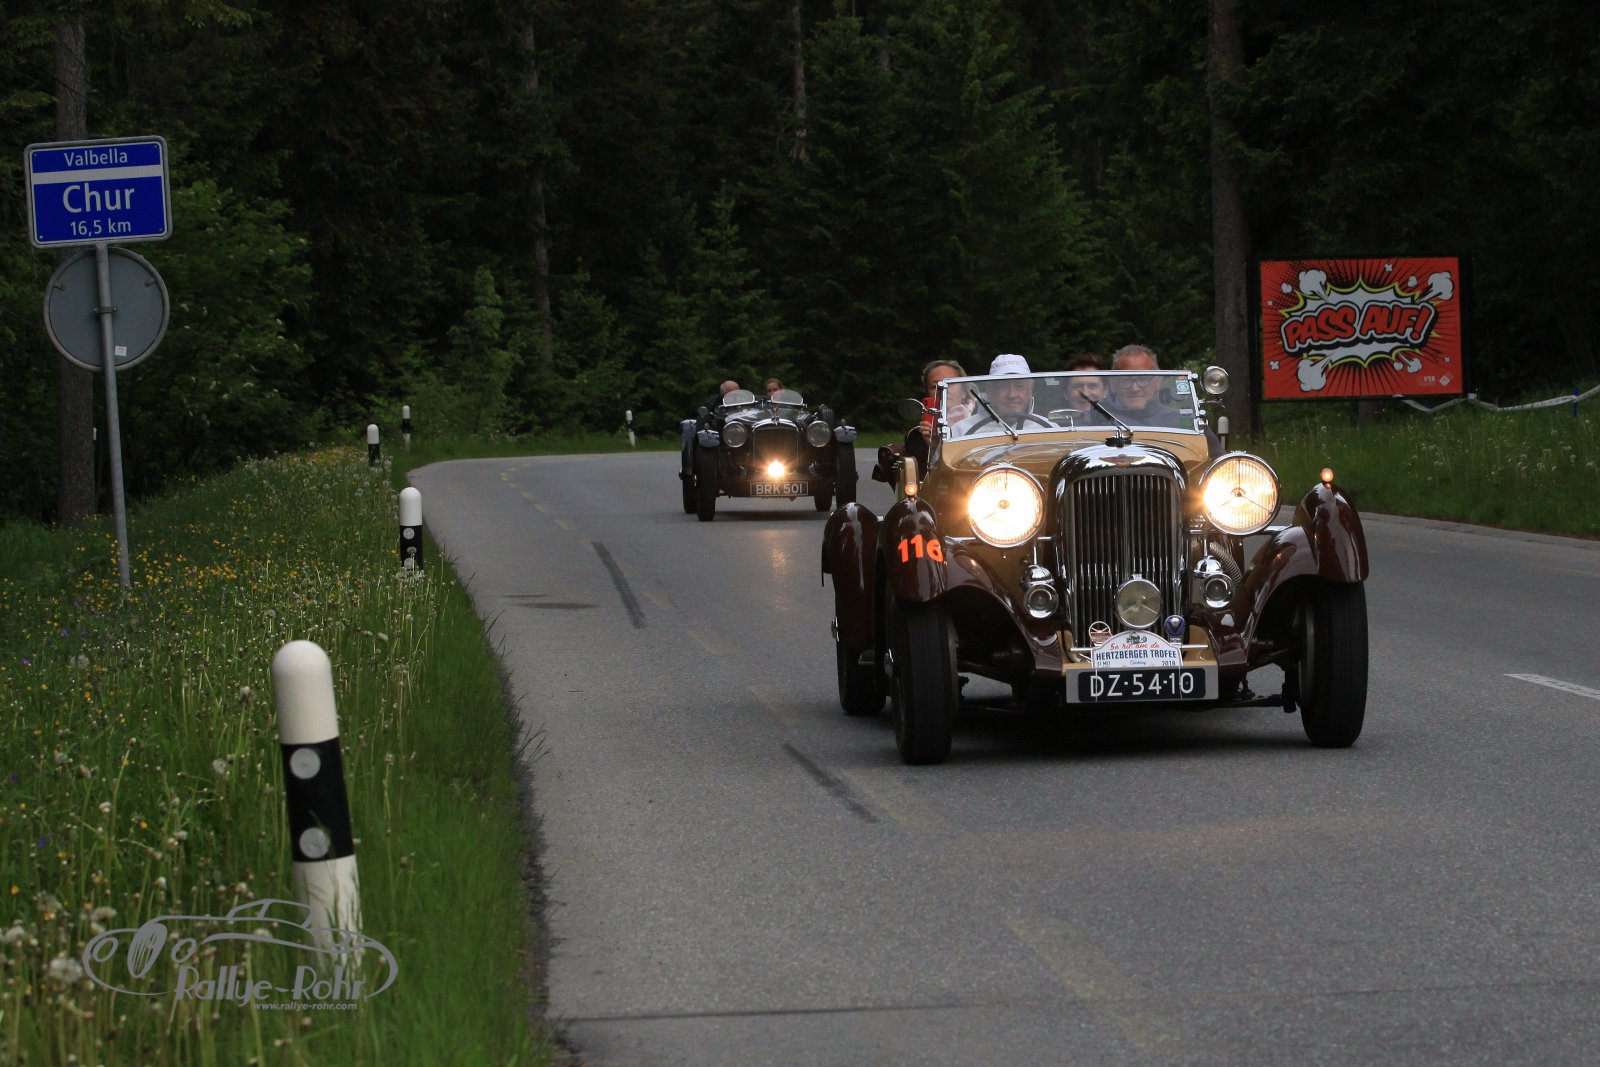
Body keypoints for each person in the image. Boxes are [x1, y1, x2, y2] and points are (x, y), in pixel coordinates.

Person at [952, 353, 1055, 435]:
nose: (1012, 395)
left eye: (1019, 386)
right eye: (1003, 386)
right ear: (989, 389)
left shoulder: (1051, 430)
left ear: (1031, 389)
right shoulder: (960, 432)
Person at [1102, 345, 1186, 428]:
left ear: (1157, 382)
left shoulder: (1180, 421)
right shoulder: (1098, 418)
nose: (1135, 388)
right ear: (1113, 384)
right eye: (1126, 379)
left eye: (1143, 379)